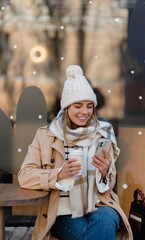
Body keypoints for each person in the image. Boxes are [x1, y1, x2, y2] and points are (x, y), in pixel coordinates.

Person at [18, 65, 133, 240]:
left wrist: (105, 172)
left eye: (89, 106)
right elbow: (25, 175)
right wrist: (58, 174)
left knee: (105, 220)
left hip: (99, 204)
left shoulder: (103, 134)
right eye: (78, 106)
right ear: (66, 108)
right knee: (91, 233)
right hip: (63, 211)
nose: (85, 112)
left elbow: (108, 186)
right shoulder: (46, 135)